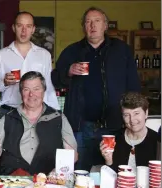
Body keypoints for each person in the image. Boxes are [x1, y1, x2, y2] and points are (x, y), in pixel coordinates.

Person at [51, 7, 140, 172]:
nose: (92, 25)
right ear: (83, 27)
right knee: (80, 172)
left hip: (114, 125)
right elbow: (55, 80)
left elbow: (133, 85)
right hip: (81, 125)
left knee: (112, 171)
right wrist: (68, 71)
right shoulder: (72, 51)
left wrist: (131, 116)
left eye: (97, 21)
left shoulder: (121, 50)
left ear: (105, 25)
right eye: (88, 22)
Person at [0, 71, 77, 175]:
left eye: (36, 89)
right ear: (21, 93)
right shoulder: (7, 118)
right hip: (13, 182)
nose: (31, 94)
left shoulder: (58, 118)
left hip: (49, 182)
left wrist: (58, 171)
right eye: (26, 89)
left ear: (44, 91)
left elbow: (72, 154)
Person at [0, 11, 59, 121]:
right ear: (13, 28)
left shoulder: (44, 55)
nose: (24, 30)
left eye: (28, 26)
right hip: (9, 111)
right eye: (19, 25)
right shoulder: (1, 55)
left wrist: (54, 111)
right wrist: (5, 82)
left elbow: (48, 86)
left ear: (33, 29)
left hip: (37, 113)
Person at [100, 92, 159, 173]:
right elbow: (109, 178)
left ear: (146, 113)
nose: (132, 120)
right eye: (127, 115)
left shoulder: (157, 141)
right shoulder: (115, 139)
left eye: (136, 113)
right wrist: (108, 160)